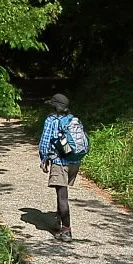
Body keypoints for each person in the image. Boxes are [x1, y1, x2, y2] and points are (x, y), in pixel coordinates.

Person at [38, 93, 83, 242]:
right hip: (74, 162)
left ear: (54, 105)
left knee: (62, 197)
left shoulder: (51, 120)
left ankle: (66, 230)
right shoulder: (73, 119)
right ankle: (58, 221)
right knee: (61, 192)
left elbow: (45, 143)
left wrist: (44, 159)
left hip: (60, 162)